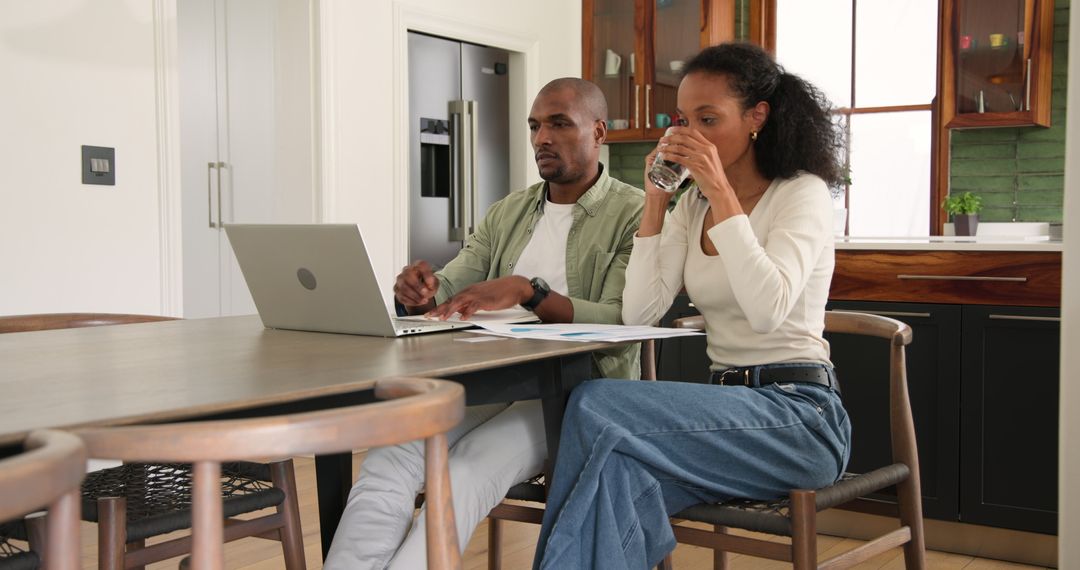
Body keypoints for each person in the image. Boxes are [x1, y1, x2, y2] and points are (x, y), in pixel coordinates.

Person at [532, 43, 849, 569]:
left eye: (709, 119)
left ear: (757, 118)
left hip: (799, 420)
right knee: (617, 475)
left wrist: (721, 191)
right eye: (685, 120)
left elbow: (768, 309)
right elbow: (639, 315)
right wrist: (656, 202)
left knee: (592, 401)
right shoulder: (692, 206)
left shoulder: (801, 194)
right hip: (721, 420)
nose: (692, 134)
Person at [324, 77, 645, 569]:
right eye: (535, 125)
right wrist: (418, 293)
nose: (542, 138)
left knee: (465, 472)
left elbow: (620, 318)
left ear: (598, 131)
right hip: (490, 380)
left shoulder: (633, 212)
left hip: (578, 394)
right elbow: (451, 287)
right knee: (389, 459)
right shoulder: (508, 212)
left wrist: (527, 291)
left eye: (560, 124)